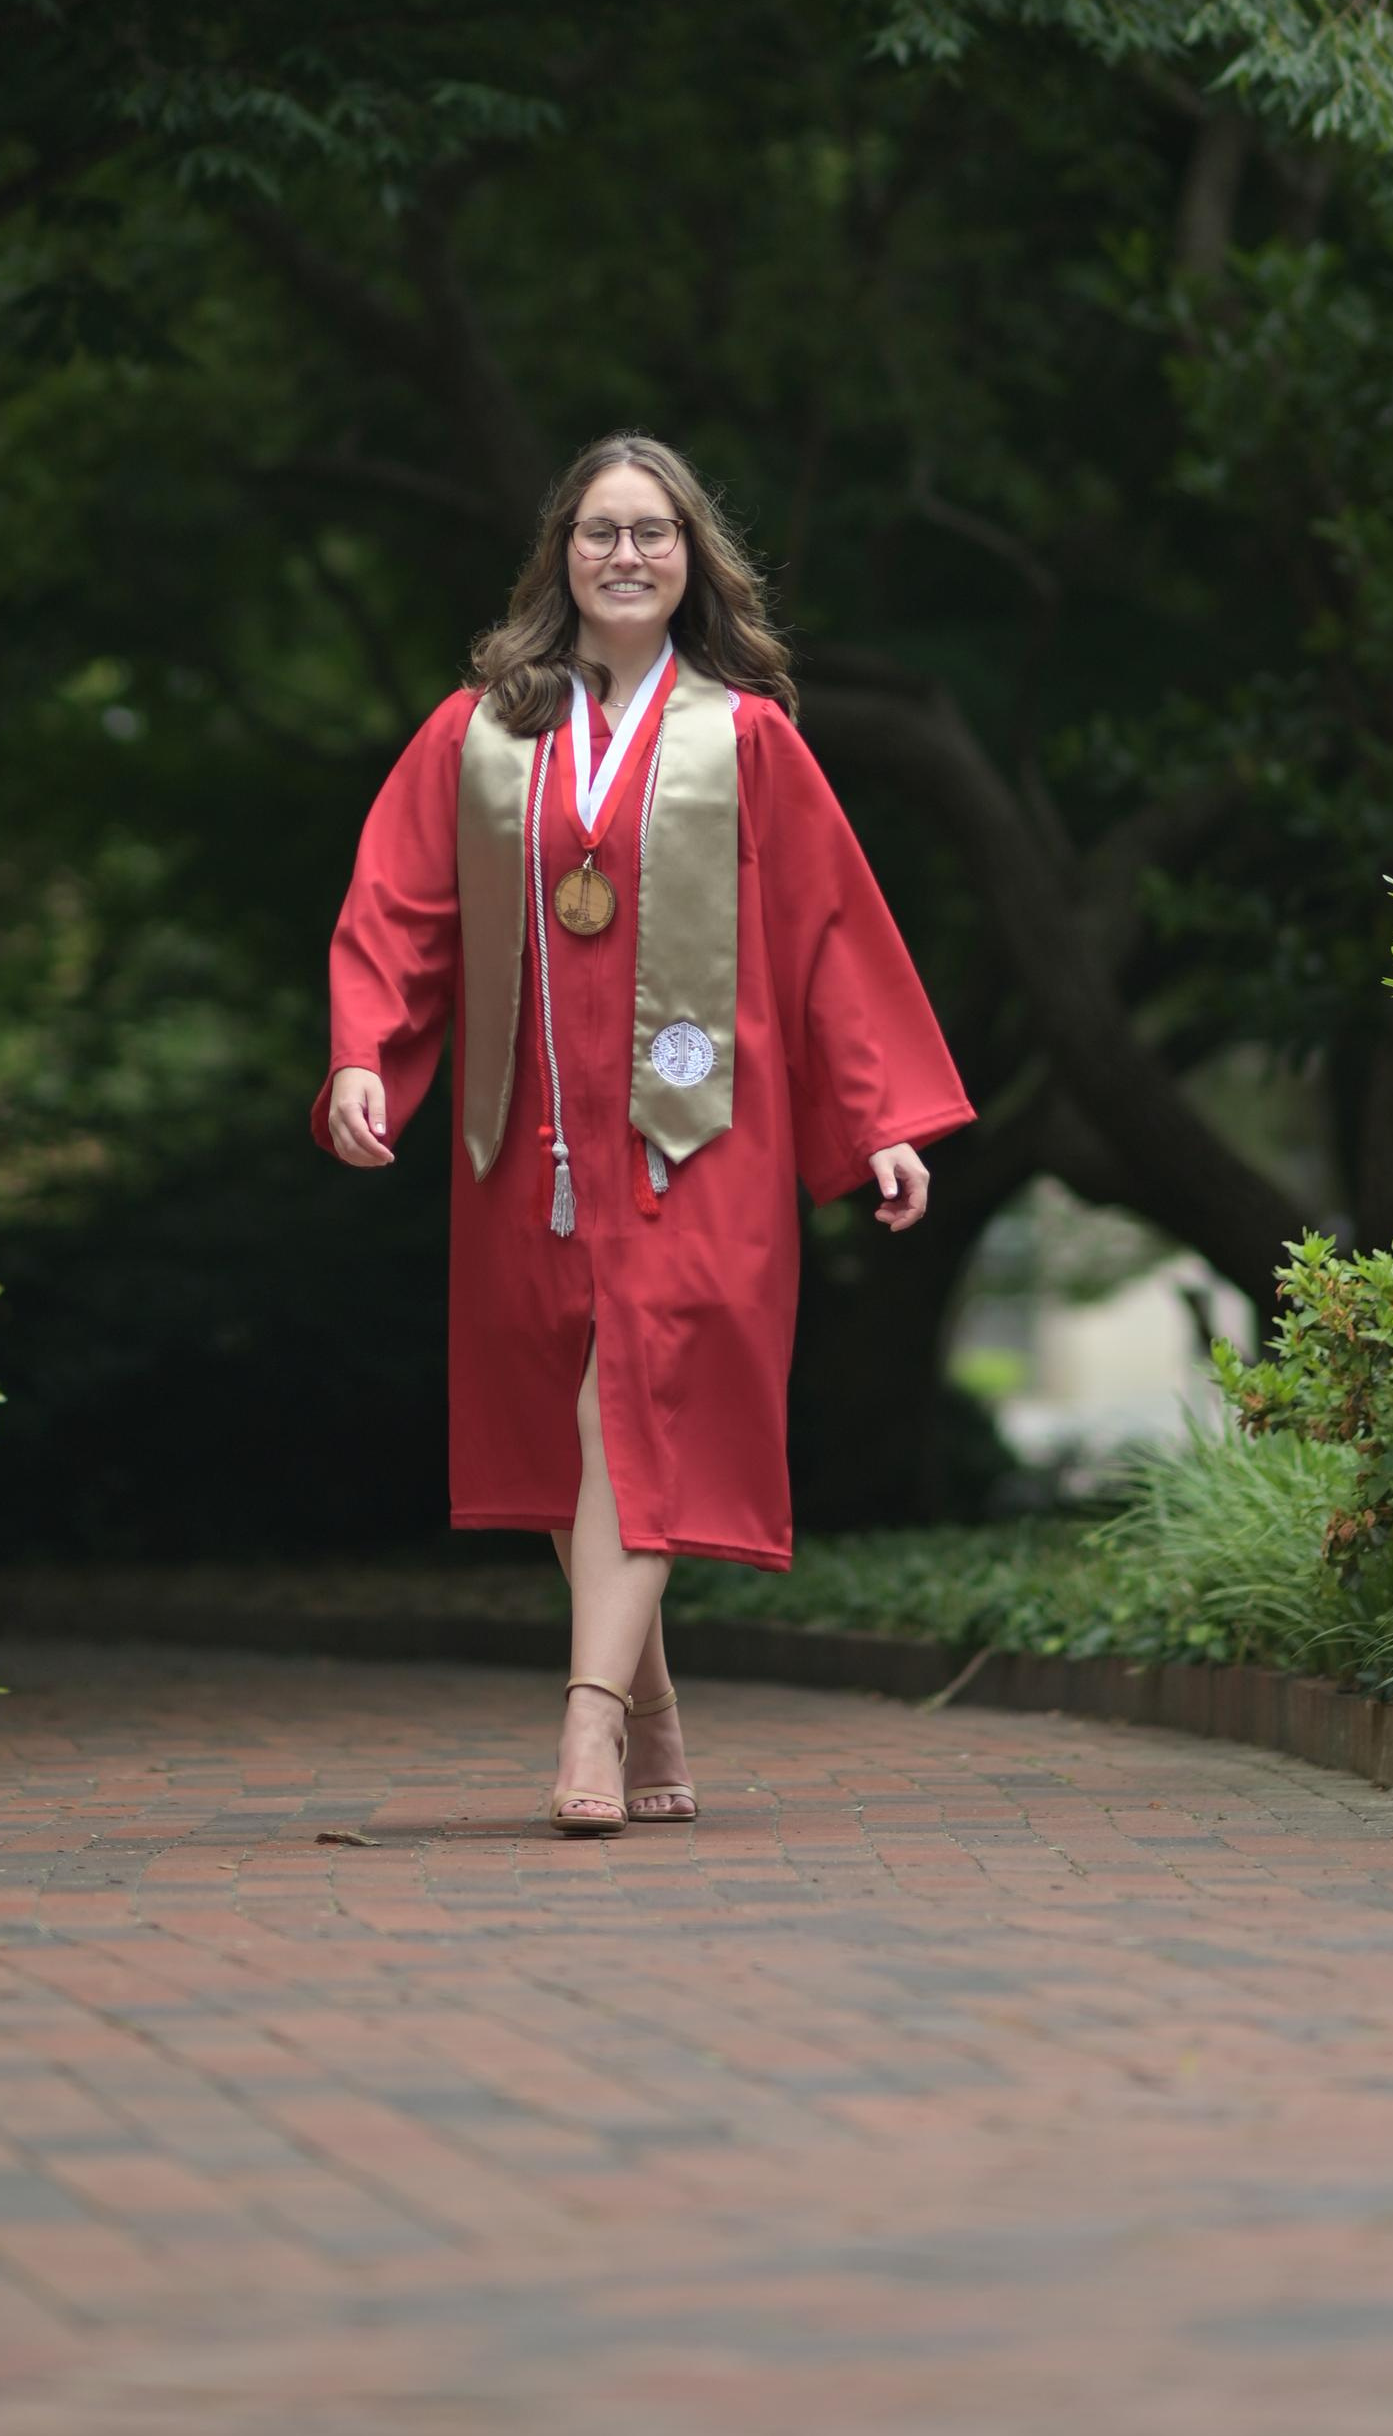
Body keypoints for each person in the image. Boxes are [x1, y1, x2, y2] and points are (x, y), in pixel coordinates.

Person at [315, 432, 972, 1835]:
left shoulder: (746, 739)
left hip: (701, 1137)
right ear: (560, 553)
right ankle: (654, 1704)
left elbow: (829, 936)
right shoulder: (481, 733)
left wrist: (880, 1122)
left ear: (691, 560)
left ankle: (589, 1716)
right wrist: (365, 1053)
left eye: (653, 532)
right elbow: (398, 909)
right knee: (575, 1409)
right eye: (601, 530)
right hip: (534, 1136)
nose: (627, 554)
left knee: (641, 1384)